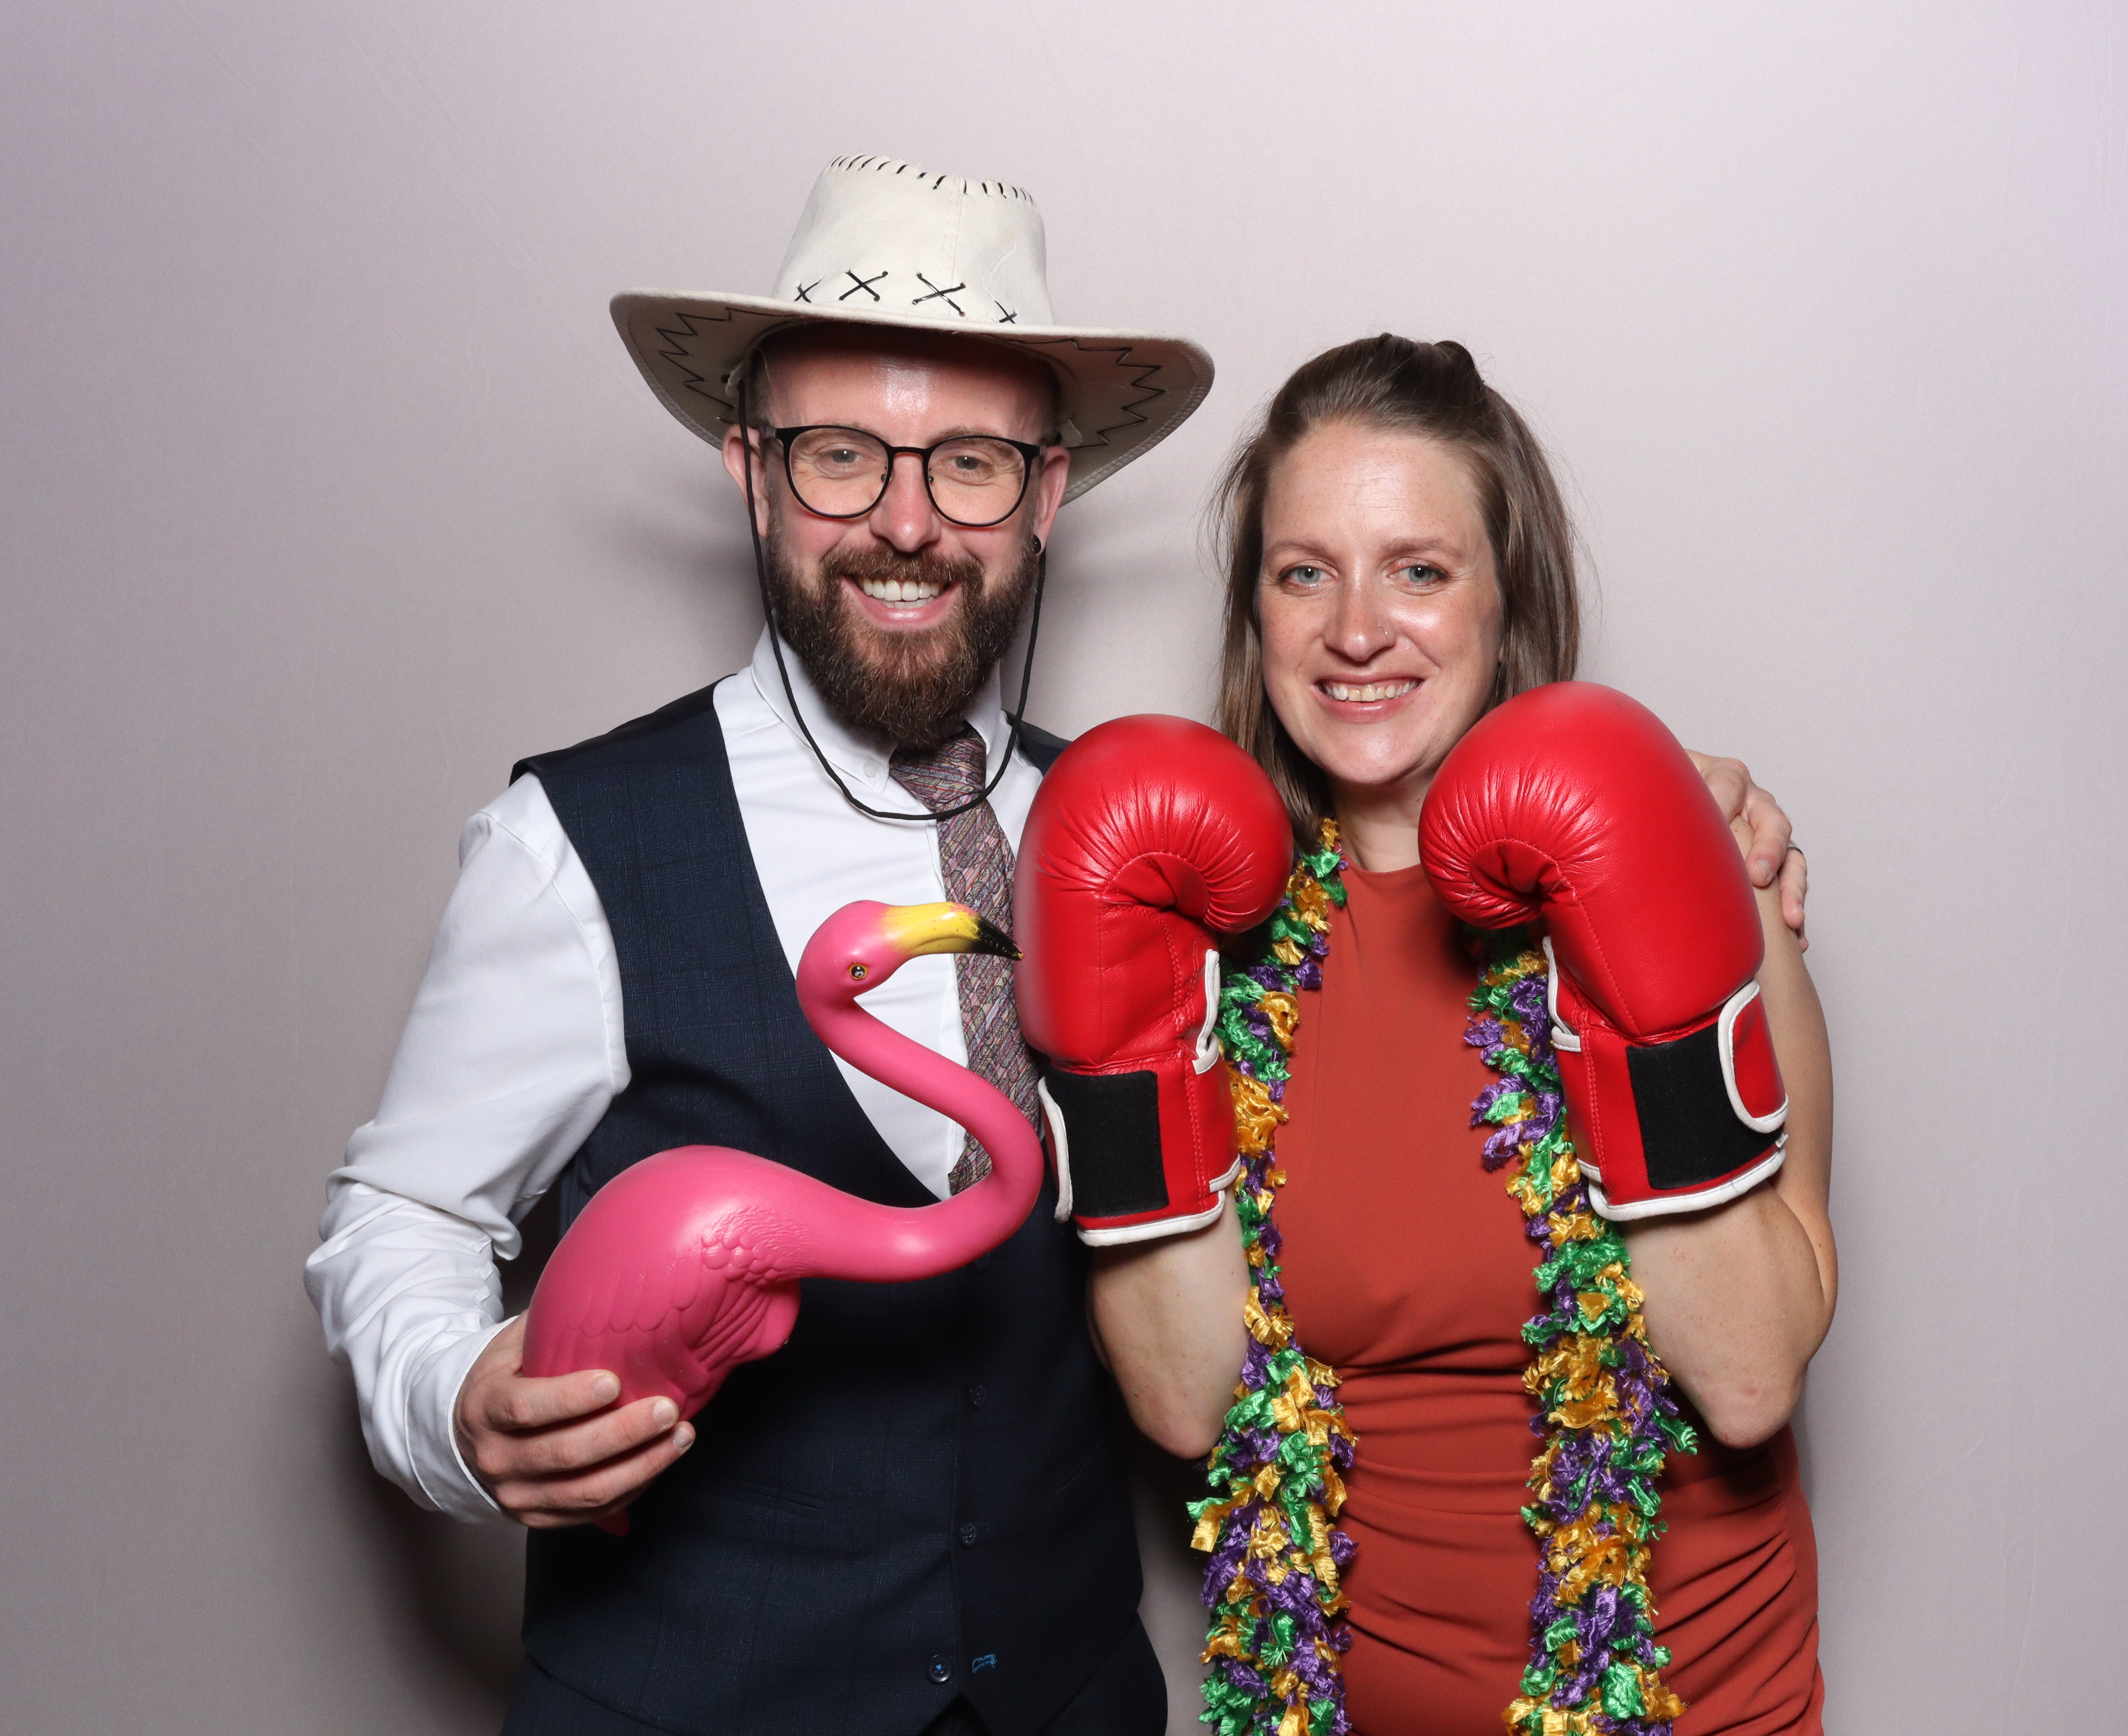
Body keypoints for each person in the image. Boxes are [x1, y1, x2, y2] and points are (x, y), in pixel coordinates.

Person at [305, 157, 1805, 1736]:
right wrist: (452, 1411)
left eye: (967, 463)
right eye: (838, 455)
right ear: (752, 473)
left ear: (1046, 491)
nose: (903, 521)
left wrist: (1684, 834)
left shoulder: (1155, 854)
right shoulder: (580, 844)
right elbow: (400, 1213)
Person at [1069, 336, 1834, 1734]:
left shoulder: (1705, 872)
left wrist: (1643, 900)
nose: (1358, 630)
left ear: (1504, 598)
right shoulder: (1194, 947)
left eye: (1419, 569)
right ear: (1258, 614)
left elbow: (1745, 1378)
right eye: (1306, 573)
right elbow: (1186, 1407)